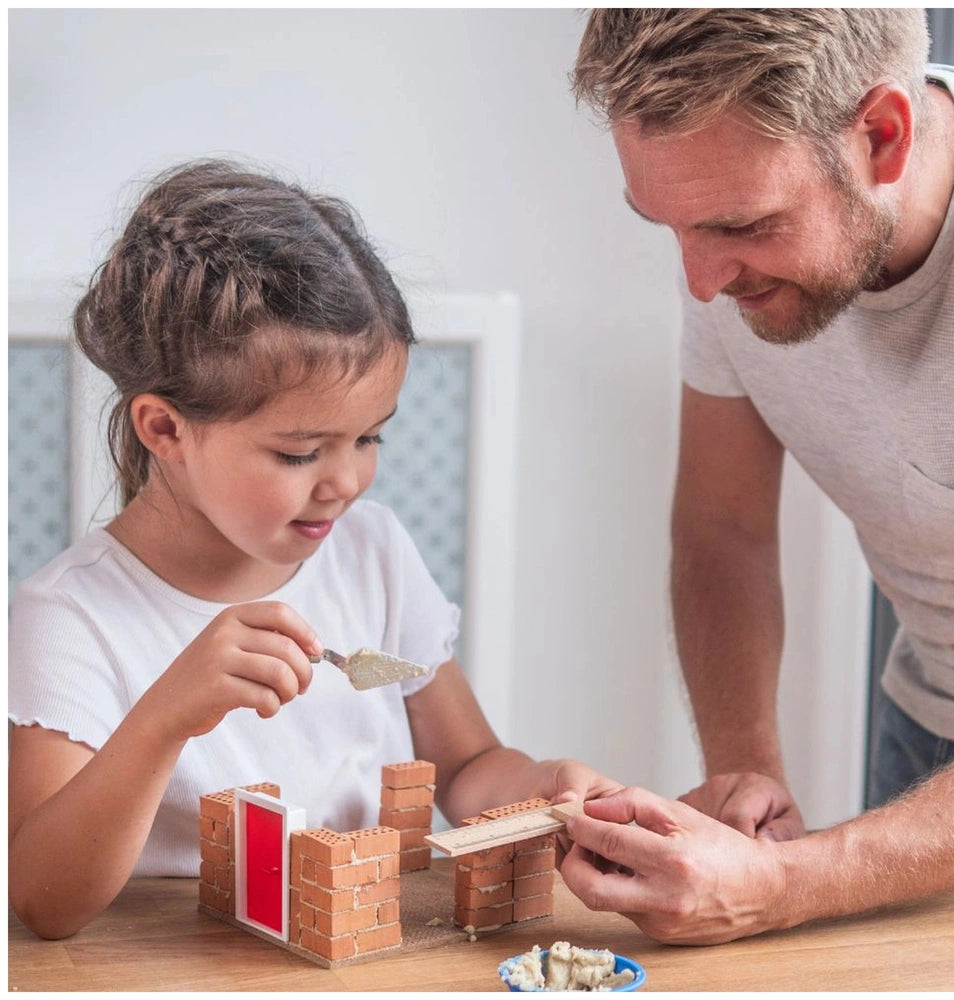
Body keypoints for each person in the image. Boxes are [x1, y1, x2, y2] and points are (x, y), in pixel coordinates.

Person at [7, 160, 621, 940]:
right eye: (299, 454)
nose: (345, 482)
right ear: (164, 429)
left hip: (361, 948)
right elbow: (42, 901)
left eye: (369, 438)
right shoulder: (73, 615)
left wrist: (544, 786)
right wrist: (166, 718)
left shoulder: (375, 554)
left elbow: (467, 769)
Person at [561, 8, 954, 944]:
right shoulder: (725, 247)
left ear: (882, 136)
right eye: (667, 226)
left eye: (743, 224)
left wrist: (786, 883)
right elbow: (723, 529)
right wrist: (748, 787)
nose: (703, 281)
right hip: (927, 726)